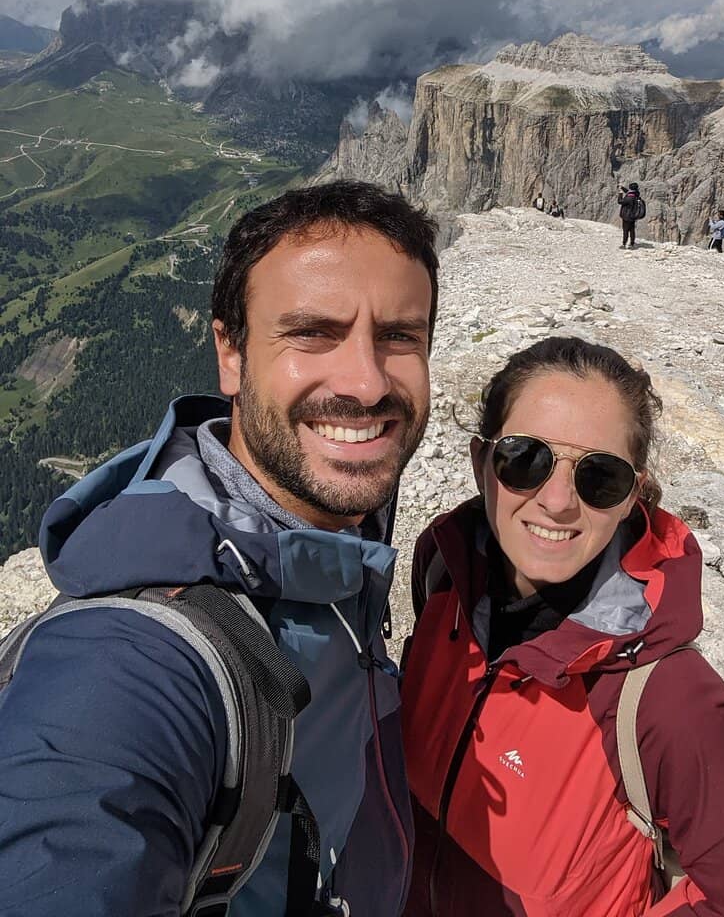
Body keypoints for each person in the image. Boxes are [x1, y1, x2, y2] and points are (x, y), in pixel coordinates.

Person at [0, 181, 439, 916]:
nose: (366, 383)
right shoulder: (137, 657)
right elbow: (68, 834)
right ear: (230, 354)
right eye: (312, 332)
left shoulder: (343, 522)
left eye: (399, 335)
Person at [400, 337, 724, 917]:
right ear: (481, 463)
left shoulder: (667, 700)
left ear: (632, 496)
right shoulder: (444, 573)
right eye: (525, 459)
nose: (559, 501)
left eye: (599, 477)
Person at [617, 182, 643, 248]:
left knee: (625, 230)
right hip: (633, 216)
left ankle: (624, 244)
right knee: (632, 230)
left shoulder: (629, 198)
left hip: (627, 216)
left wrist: (620, 193)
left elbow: (620, 201)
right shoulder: (636, 194)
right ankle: (632, 243)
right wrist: (622, 188)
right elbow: (628, 192)